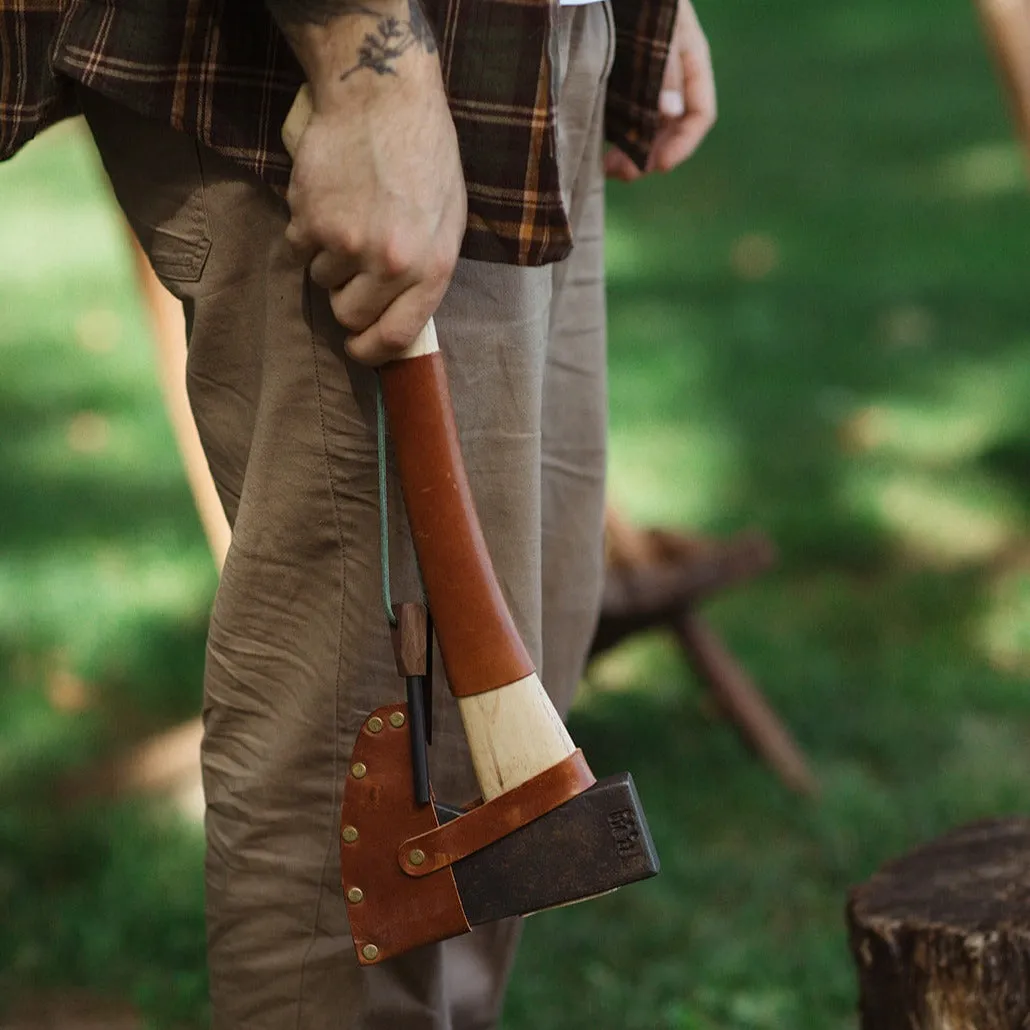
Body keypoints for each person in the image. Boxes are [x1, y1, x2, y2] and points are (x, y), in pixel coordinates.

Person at [0, 0, 715, 1026]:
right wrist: (361, 63)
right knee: (356, 753)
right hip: (350, 64)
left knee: (507, 728)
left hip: (519, 50)